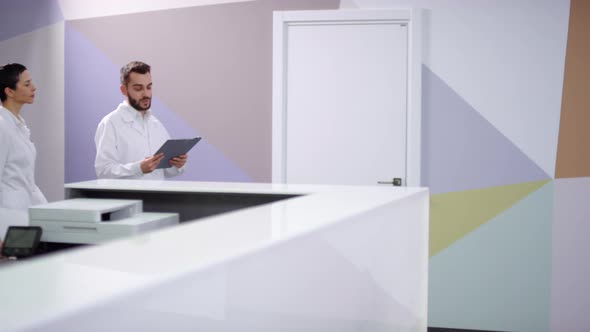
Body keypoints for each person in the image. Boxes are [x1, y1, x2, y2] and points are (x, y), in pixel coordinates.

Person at [94, 61, 187, 179]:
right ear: (123, 90)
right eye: (138, 88)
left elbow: (167, 172)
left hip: (158, 196)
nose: (146, 94)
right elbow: (103, 172)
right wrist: (138, 168)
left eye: (149, 87)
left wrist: (177, 164)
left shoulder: (156, 124)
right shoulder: (110, 123)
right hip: (128, 197)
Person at [0, 63, 48, 239]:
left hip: (24, 213)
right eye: (26, 84)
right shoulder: (2, 126)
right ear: (9, 91)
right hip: (7, 219)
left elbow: (25, 178)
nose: (33, 87)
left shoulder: (19, 125)